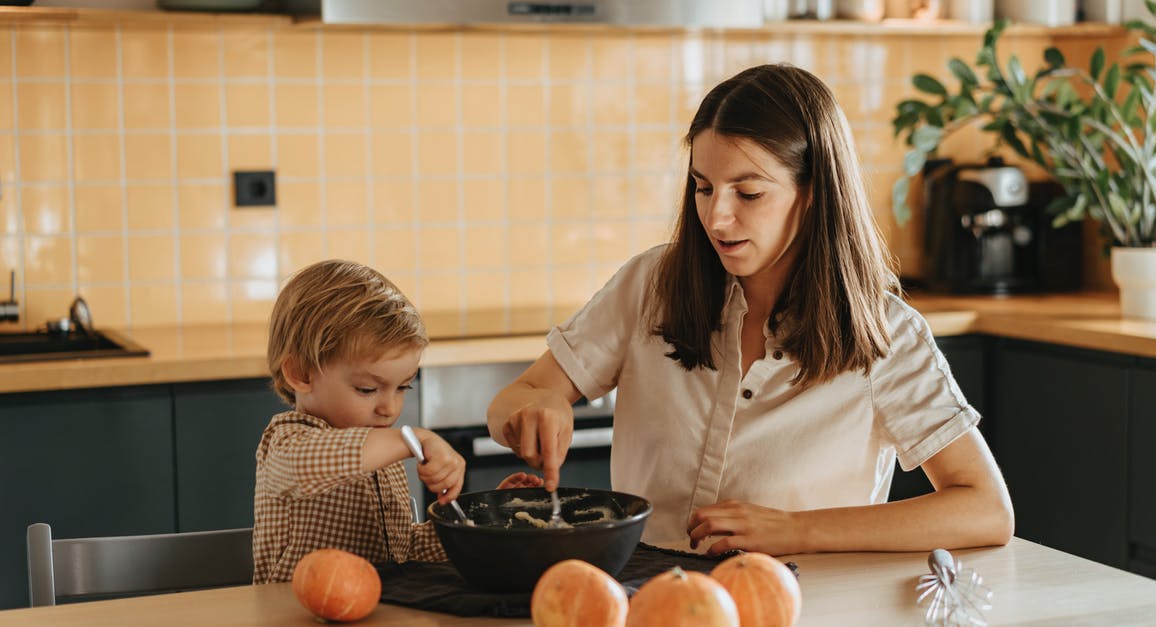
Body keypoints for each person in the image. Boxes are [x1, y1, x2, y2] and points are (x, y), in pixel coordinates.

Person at [486, 64, 1014, 556]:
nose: (717, 217)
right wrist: (536, 408)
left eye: (749, 192)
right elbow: (517, 397)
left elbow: (985, 508)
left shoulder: (885, 334)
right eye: (703, 187)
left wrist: (797, 530)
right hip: (649, 598)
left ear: (814, 194)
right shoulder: (651, 285)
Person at [253, 259, 541, 584]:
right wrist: (412, 438)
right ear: (300, 373)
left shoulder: (384, 455)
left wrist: (487, 516)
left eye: (403, 387)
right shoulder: (285, 443)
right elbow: (312, 463)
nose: (389, 409)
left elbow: (403, 552)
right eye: (367, 389)